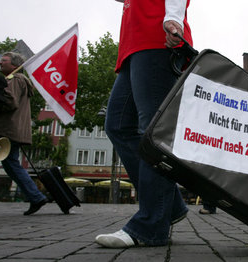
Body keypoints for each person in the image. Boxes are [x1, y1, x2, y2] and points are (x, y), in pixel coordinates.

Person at [95, 0, 193, 248]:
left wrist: (173, 18)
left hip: (155, 38)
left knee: (153, 130)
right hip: (133, 46)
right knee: (117, 125)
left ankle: (150, 226)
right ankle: (167, 206)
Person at [0, 52, 48, 215]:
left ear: (14, 65)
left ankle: (35, 196)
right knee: (12, 164)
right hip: (13, 130)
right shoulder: (20, 81)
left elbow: (10, 101)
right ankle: (35, 196)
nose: (0, 63)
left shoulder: (15, 80)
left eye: (3, 61)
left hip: (5, 129)